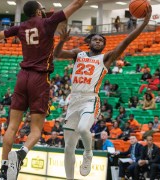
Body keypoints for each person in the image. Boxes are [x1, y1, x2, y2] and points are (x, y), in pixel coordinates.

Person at [0, 1, 87, 179]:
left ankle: (3, 171)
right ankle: (20, 154)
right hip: (39, 78)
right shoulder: (48, 22)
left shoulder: (20, 27)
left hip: (22, 76)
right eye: (42, 8)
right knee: (36, 130)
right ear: (39, 11)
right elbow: (78, 3)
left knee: (12, 127)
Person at [53, 6, 151, 179]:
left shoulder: (105, 58)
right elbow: (57, 54)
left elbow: (126, 41)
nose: (99, 42)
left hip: (90, 99)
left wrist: (144, 23)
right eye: (96, 40)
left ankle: (88, 153)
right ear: (89, 42)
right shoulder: (78, 53)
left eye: (101, 41)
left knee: (84, 128)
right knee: (68, 147)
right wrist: (61, 40)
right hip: (73, 100)